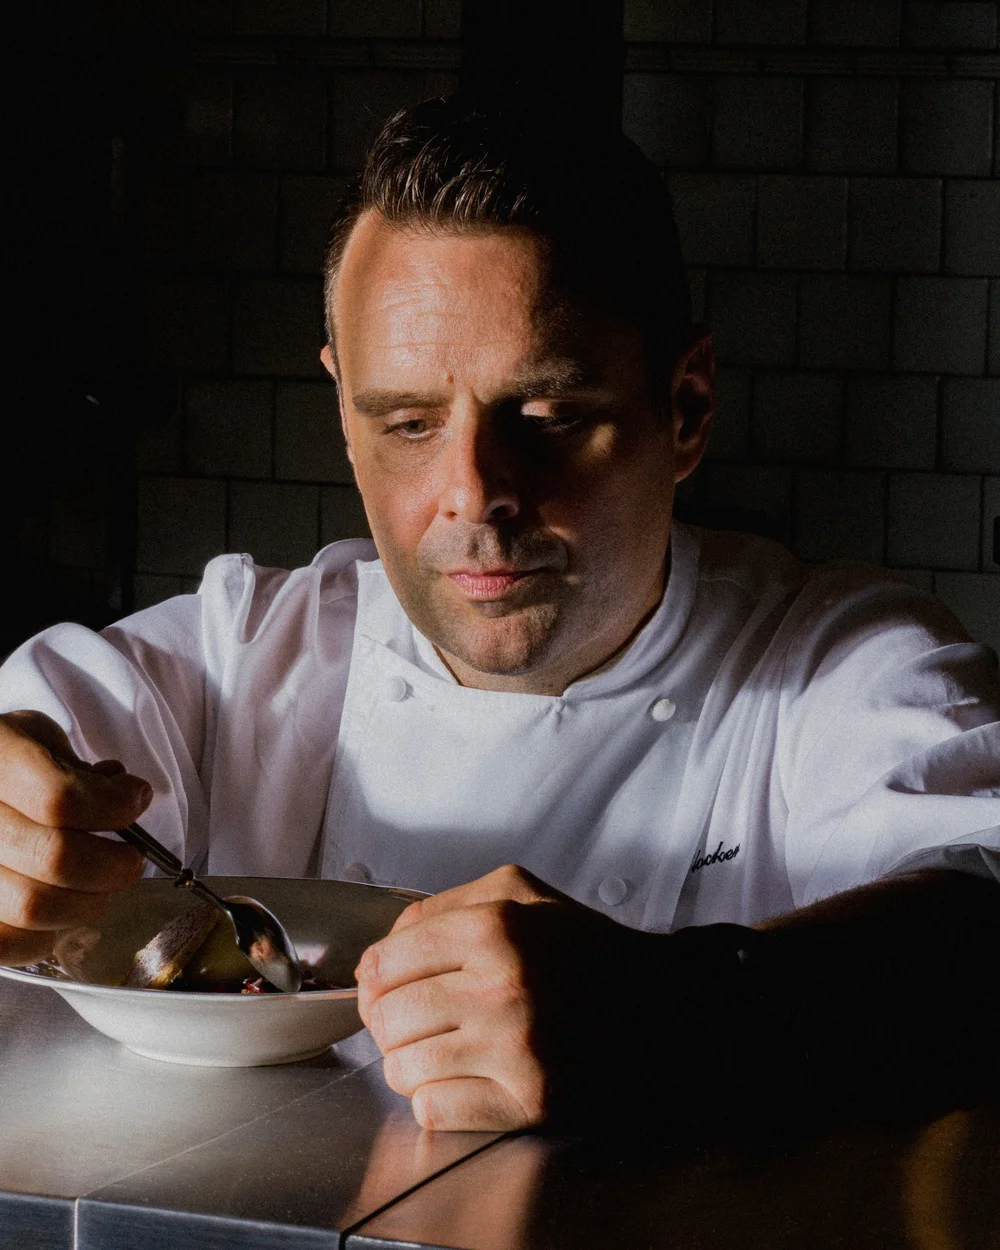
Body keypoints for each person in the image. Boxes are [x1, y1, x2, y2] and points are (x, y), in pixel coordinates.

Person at [0, 97, 997, 1135]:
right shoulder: (236, 656)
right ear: (344, 415)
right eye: (408, 424)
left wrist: (693, 1012)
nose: (474, 494)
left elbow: (979, 917)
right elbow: (27, 747)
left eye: (550, 417)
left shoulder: (837, 664)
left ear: (685, 407)